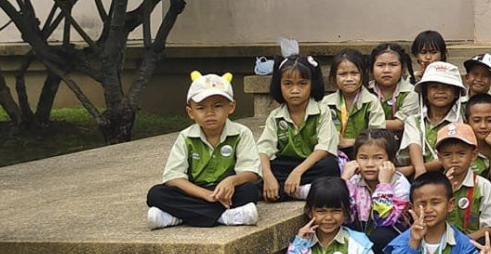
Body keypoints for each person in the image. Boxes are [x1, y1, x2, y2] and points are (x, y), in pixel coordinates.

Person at [147, 72, 262, 229]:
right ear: (191, 112)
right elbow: (173, 178)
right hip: (195, 191)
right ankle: (224, 216)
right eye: (201, 108)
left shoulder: (242, 133)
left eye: (218, 106)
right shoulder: (186, 137)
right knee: (156, 194)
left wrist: (231, 181)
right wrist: (206, 195)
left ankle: (178, 216)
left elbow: (251, 173)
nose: (210, 113)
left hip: (227, 192)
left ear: (231, 107)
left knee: (250, 191)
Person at [258, 55, 338, 202]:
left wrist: (298, 172)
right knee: (257, 175)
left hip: (311, 165)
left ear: (312, 84)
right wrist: (268, 176)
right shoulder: (275, 116)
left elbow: (323, 148)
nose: (295, 90)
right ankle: (302, 190)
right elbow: (264, 149)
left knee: (330, 167)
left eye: (302, 84)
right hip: (285, 165)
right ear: (279, 85)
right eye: (288, 84)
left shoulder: (322, 111)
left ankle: (288, 191)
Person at [341, 129, 411, 254]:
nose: (370, 164)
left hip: (392, 243)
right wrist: (344, 180)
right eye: (363, 158)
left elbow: (384, 220)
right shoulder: (354, 180)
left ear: (390, 159)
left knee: (380, 235)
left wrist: (384, 184)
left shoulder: (400, 184)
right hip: (362, 236)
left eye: (378, 158)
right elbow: (345, 216)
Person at [400, 60, 465, 175]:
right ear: (425, 92)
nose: (440, 91)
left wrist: (411, 170)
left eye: (447, 87)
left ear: (456, 93)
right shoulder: (414, 121)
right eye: (434, 87)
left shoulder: (461, 122)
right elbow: (414, 147)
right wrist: (420, 171)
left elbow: (450, 158)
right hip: (421, 177)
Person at [322, 50, 384, 154]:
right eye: (343, 74)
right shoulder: (326, 103)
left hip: (366, 151)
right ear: (334, 77)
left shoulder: (371, 102)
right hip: (332, 152)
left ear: (363, 75)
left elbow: (378, 135)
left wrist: (350, 142)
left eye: (354, 73)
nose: (349, 79)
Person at [368, 42, 417, 139]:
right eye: (380, 65)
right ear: (372, 68)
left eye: (393, 65)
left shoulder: (411, 92)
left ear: (402, 69)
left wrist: (366, 123)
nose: (386, 70)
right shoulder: (365, 91)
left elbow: (400, 124)